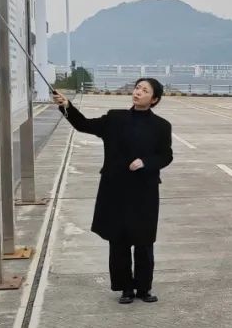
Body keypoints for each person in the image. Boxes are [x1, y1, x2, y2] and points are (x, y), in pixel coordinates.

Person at [53, 79, 173, 304]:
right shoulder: (115, 119)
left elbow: (166, 155)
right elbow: (83, 124)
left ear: (154, 99)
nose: (138, 92)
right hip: (115, 189)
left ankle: (144, 288)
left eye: (145, 90)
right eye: (137, 88)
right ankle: (125, 288)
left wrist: (146, 162)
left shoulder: (161, 126)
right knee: (118, 240)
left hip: (144, 191)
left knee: (144, 240)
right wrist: (66, 106)